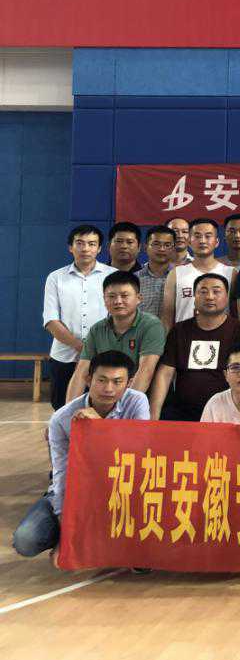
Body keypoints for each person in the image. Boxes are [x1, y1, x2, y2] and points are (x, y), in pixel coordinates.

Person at [11, 350, 149, 559]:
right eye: (101, 380)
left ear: (129, 383)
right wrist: (65, 532)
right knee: (26, 540)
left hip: (122, 489)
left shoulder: (137, 402)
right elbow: (61, 473)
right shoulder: (62, 418)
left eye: (117, 382)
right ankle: (75, 536)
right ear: (88, 379)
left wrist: (100, 428)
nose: (108, 389)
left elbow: (138, 453)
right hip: (78, 490)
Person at [149, 273, 240, 421]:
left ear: (227, 297)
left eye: (216, 291)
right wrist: (153, 414)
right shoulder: (180, 330)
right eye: (203, 292)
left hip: (227, 411)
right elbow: (165, 373)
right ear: (194, 298)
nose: (209, 297)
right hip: (183, 411)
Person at [42, 225, 115, 408]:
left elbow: (117, 318)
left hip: (102, 356)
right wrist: (81, 347)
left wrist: (94, 350)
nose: (85, 248)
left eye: (92, 244)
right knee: (62, 407)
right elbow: (51, 320)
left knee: (100, 408)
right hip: (64, 356)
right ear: (70, 247)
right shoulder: (55, 277)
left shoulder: (112, 276)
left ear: (99, 248)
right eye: (80, 243)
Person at [65, 271, 165, 401]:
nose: (118, 301)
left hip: (141, 399)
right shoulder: (97, 329)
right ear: (104, 299)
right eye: (111, 296)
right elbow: (81, 371)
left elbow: (146, 371)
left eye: (124, 296)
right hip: (105, 398)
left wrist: (121, 408)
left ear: (139, 298)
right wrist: (69, 408)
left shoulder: (151, 325)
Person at [161, 218, 233, 329]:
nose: (202, 241)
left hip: (222, 337)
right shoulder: (175, 274)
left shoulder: (231, 273)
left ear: (217, 242)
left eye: (208, 236)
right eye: (198, 236)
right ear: (189, 241)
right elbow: (167, 317)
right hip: (183, 336)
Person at [135, 226, 175, 318]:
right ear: (145, 247)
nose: (162, 249)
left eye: (167, 245)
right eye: (156, 244)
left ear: (173, 249)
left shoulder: (181, 277)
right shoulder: (134, 279)